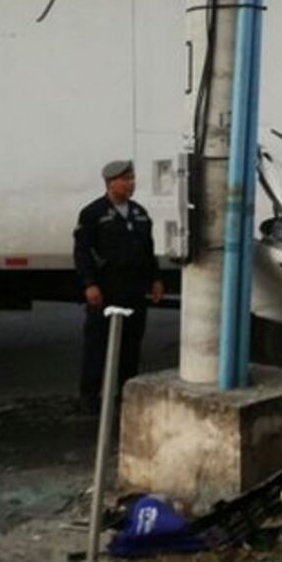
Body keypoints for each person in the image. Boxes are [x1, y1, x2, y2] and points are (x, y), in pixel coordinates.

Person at [74, 160, 164, 412]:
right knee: (97, 344)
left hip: (134, 289)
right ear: (110, 182)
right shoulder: (93, 213)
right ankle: (89, 397)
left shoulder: (139, 213)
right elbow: (82, 252)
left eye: (132, 178)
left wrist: (155, 279)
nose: (131, 183)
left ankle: (124, 395)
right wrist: (89, 284)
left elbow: (148, 251)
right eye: (125, 179)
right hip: (106, 289)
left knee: (131, 345)